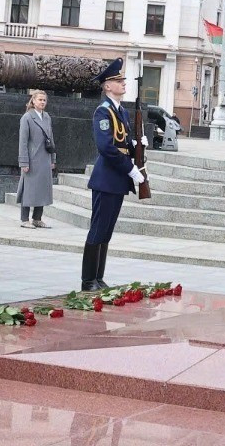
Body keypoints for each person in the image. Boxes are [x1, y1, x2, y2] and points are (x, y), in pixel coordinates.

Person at [82, 59, 143, 291]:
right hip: (107, 177)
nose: (123, 83)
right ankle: (88, 280)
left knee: (107, 231)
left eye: (122, 80)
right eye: (118, 80)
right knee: (98, 228)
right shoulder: (103, 111)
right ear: (107, 86)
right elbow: (106, 147)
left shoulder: (121, 111)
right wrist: (130, 168)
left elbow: (122, 142)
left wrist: (136, 144)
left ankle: (98, 277)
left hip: (116, 180)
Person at [17, 90, 55, 228]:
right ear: (33, 101)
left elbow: (51, 139)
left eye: (44, 100)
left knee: (42, 189)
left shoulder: (47, 117)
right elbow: (23, 142)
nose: (42, 102)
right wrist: (23, 162)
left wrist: (52, 159)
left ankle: (37, 218)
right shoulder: (27, 117)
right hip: (32, 159)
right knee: (28, 189)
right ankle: (24, 219)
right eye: (40, 100)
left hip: (45, 158)